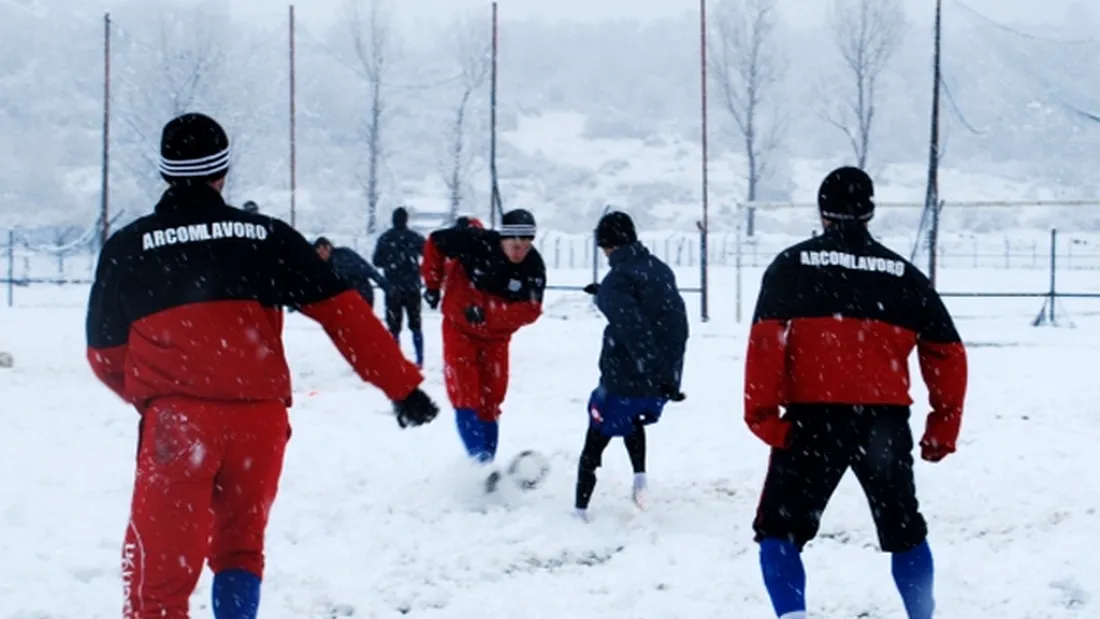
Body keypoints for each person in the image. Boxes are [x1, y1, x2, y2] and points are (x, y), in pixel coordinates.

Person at [84, 112, 440, 619]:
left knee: (158, 578)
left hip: (180, 425)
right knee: (239, 549)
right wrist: (401, 386)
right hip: (259, 422)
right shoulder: (266, 236)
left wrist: (156, 395)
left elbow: (104, 353)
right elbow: (344, 314)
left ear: (164, 173)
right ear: (223, 172)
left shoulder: (129, 246)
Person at [743, 166, 969, 619]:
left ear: (822, 212)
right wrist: (942, 425)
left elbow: (766, 343)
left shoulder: (791, 265)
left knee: (778, 533)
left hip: (812, 420)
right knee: (905, 532)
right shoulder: (905, 276)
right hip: (884, 420)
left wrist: (764, 417)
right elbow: (948, 352)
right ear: (869, 212)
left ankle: (794, 615)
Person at [573, 211, 688, 520]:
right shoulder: (660, 269)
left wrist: (606, 296)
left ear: (608, 245)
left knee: (595, 439)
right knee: (633, 420)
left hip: (625, 378)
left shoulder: (617, 280)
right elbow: (670, 321)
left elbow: (633, 328)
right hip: (660, 383)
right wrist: (668, 377)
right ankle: (640, 480)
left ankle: (579, 511)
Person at [420, 209, 545, 487]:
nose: (520, 251)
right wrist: (431, 283)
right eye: (515, 245)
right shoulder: (474, 242)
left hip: (496, 338)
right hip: (459, 329)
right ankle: (479, 464)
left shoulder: (533, 266)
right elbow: (435, 243)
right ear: (503, 238)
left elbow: (532, 309)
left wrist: (489, 315)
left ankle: (487, 466)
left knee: (491, 399)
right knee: (466, 395)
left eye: (526, 245)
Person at [372, 207, 427, 367]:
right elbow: (428, 255)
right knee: (416, 324)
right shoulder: (415, 238)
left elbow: (377, 261)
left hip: (393, 288)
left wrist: (391, 263)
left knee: (394, 326)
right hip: (412, 287)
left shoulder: (385, 238)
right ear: (406, 220)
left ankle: (395, 358)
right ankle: (420, 358)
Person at [314, 236, 388, 308]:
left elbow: (367, 269)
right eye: (318, 254)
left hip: (359, 295)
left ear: (328, 247)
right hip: (352, 297)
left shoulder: (343, 256)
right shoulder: (326, 264)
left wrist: (384, 284)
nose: (320, 256)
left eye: (321, 252)